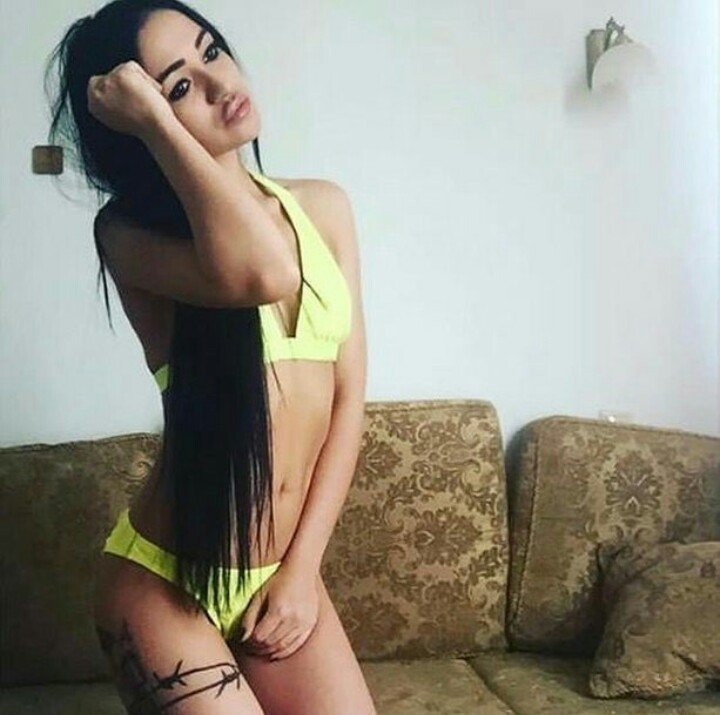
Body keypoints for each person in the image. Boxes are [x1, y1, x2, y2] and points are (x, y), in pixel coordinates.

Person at [44, 1, 372, 712]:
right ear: (139, 126)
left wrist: (302, 573)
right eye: (180, 86)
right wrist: (156, 123)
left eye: (212, 50)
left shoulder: (324, 208)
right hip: (163, 586)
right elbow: (264, 273)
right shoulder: (128, 237)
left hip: (280, 575)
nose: (222, 84)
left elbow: (349, 401)